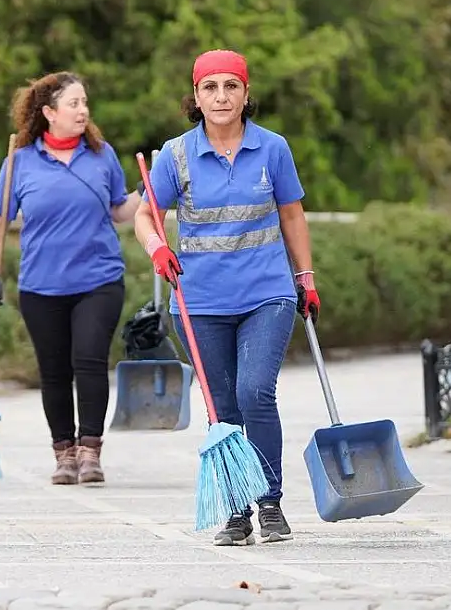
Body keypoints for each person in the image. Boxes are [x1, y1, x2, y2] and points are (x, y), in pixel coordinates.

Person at [133, 49, 319, 546]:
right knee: (221, 409)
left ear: (245, 93)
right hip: (199, 301)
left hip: (266, 294)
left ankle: (271, 503)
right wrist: (157, 249)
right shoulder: (174, 154)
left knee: (254, 392)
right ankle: (237, 512)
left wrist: (305, 277)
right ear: (195, 96)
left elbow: (293, 215)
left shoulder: (273, 148)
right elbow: (145, 215)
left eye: (230, 86)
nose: (221, 96)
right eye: (210, 87)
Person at [0, 71, 141, 486]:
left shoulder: (102, 155)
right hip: (41, 286)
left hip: (99, 280)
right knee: (53, 371)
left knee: (89, 360)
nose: (83, 110)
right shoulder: (20, 161)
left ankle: (90, 452)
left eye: (85, 102)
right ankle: (64, 454)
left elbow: (120, 212)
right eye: (74, 104)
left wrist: (151, 188)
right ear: (49, 113)